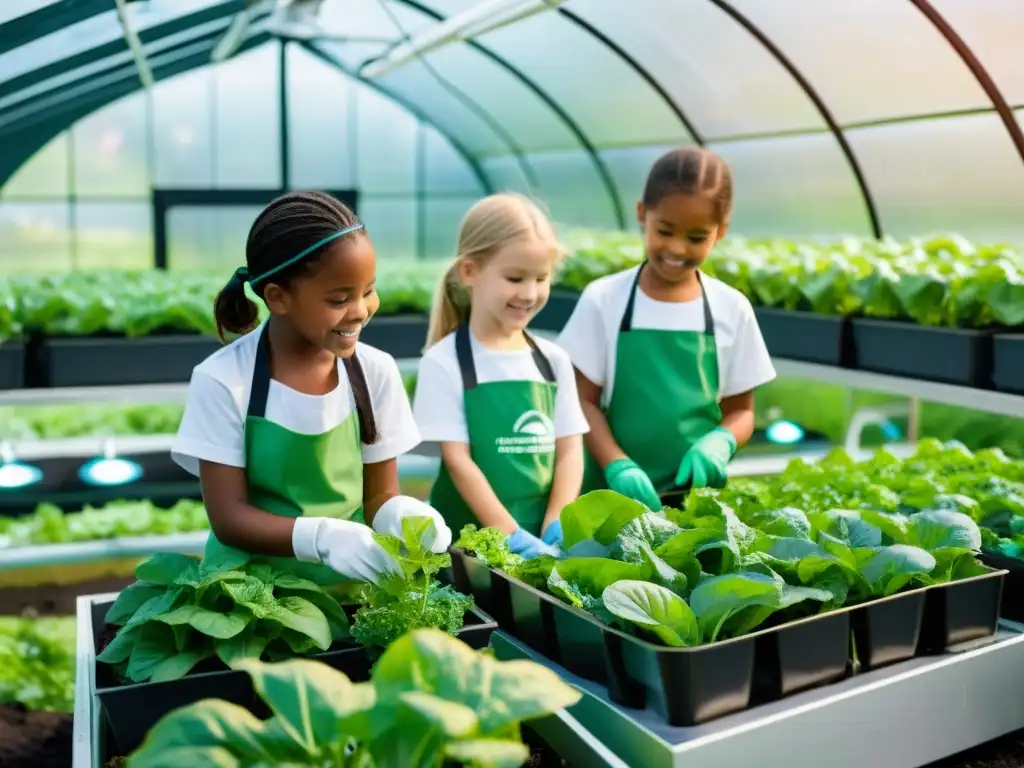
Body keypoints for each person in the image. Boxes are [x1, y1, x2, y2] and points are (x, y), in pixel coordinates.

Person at [171, 190, 452, 585]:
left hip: (354, 585)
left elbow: (378, 497)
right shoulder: (223, 380)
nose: (360, 310)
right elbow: (229, 520)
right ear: (277, 297)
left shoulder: (375, 371)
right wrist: (320, 538)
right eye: (339, 299)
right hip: (253, 593)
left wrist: (401, 513)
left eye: (368, 291)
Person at [557, 147, 776, 509]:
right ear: (642, 214)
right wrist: (617, 464)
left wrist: (720, 441)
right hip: (610, 496)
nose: (676, 248)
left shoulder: (731, 308)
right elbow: (581, 401)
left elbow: (742, 410)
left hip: (695, 501)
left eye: (696, 237)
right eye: (665, 230)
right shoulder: (605, 299)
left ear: (720, 232)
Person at [412, 193, 590, 558]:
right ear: (469, 272)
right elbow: (459, 463)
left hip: (543, 539)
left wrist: (556, 523)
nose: (530, 293)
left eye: (541, 278)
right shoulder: (444, 362)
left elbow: (570, 450)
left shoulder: (552, 359)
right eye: (514, 277)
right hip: (469, 552)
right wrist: (511, 538)